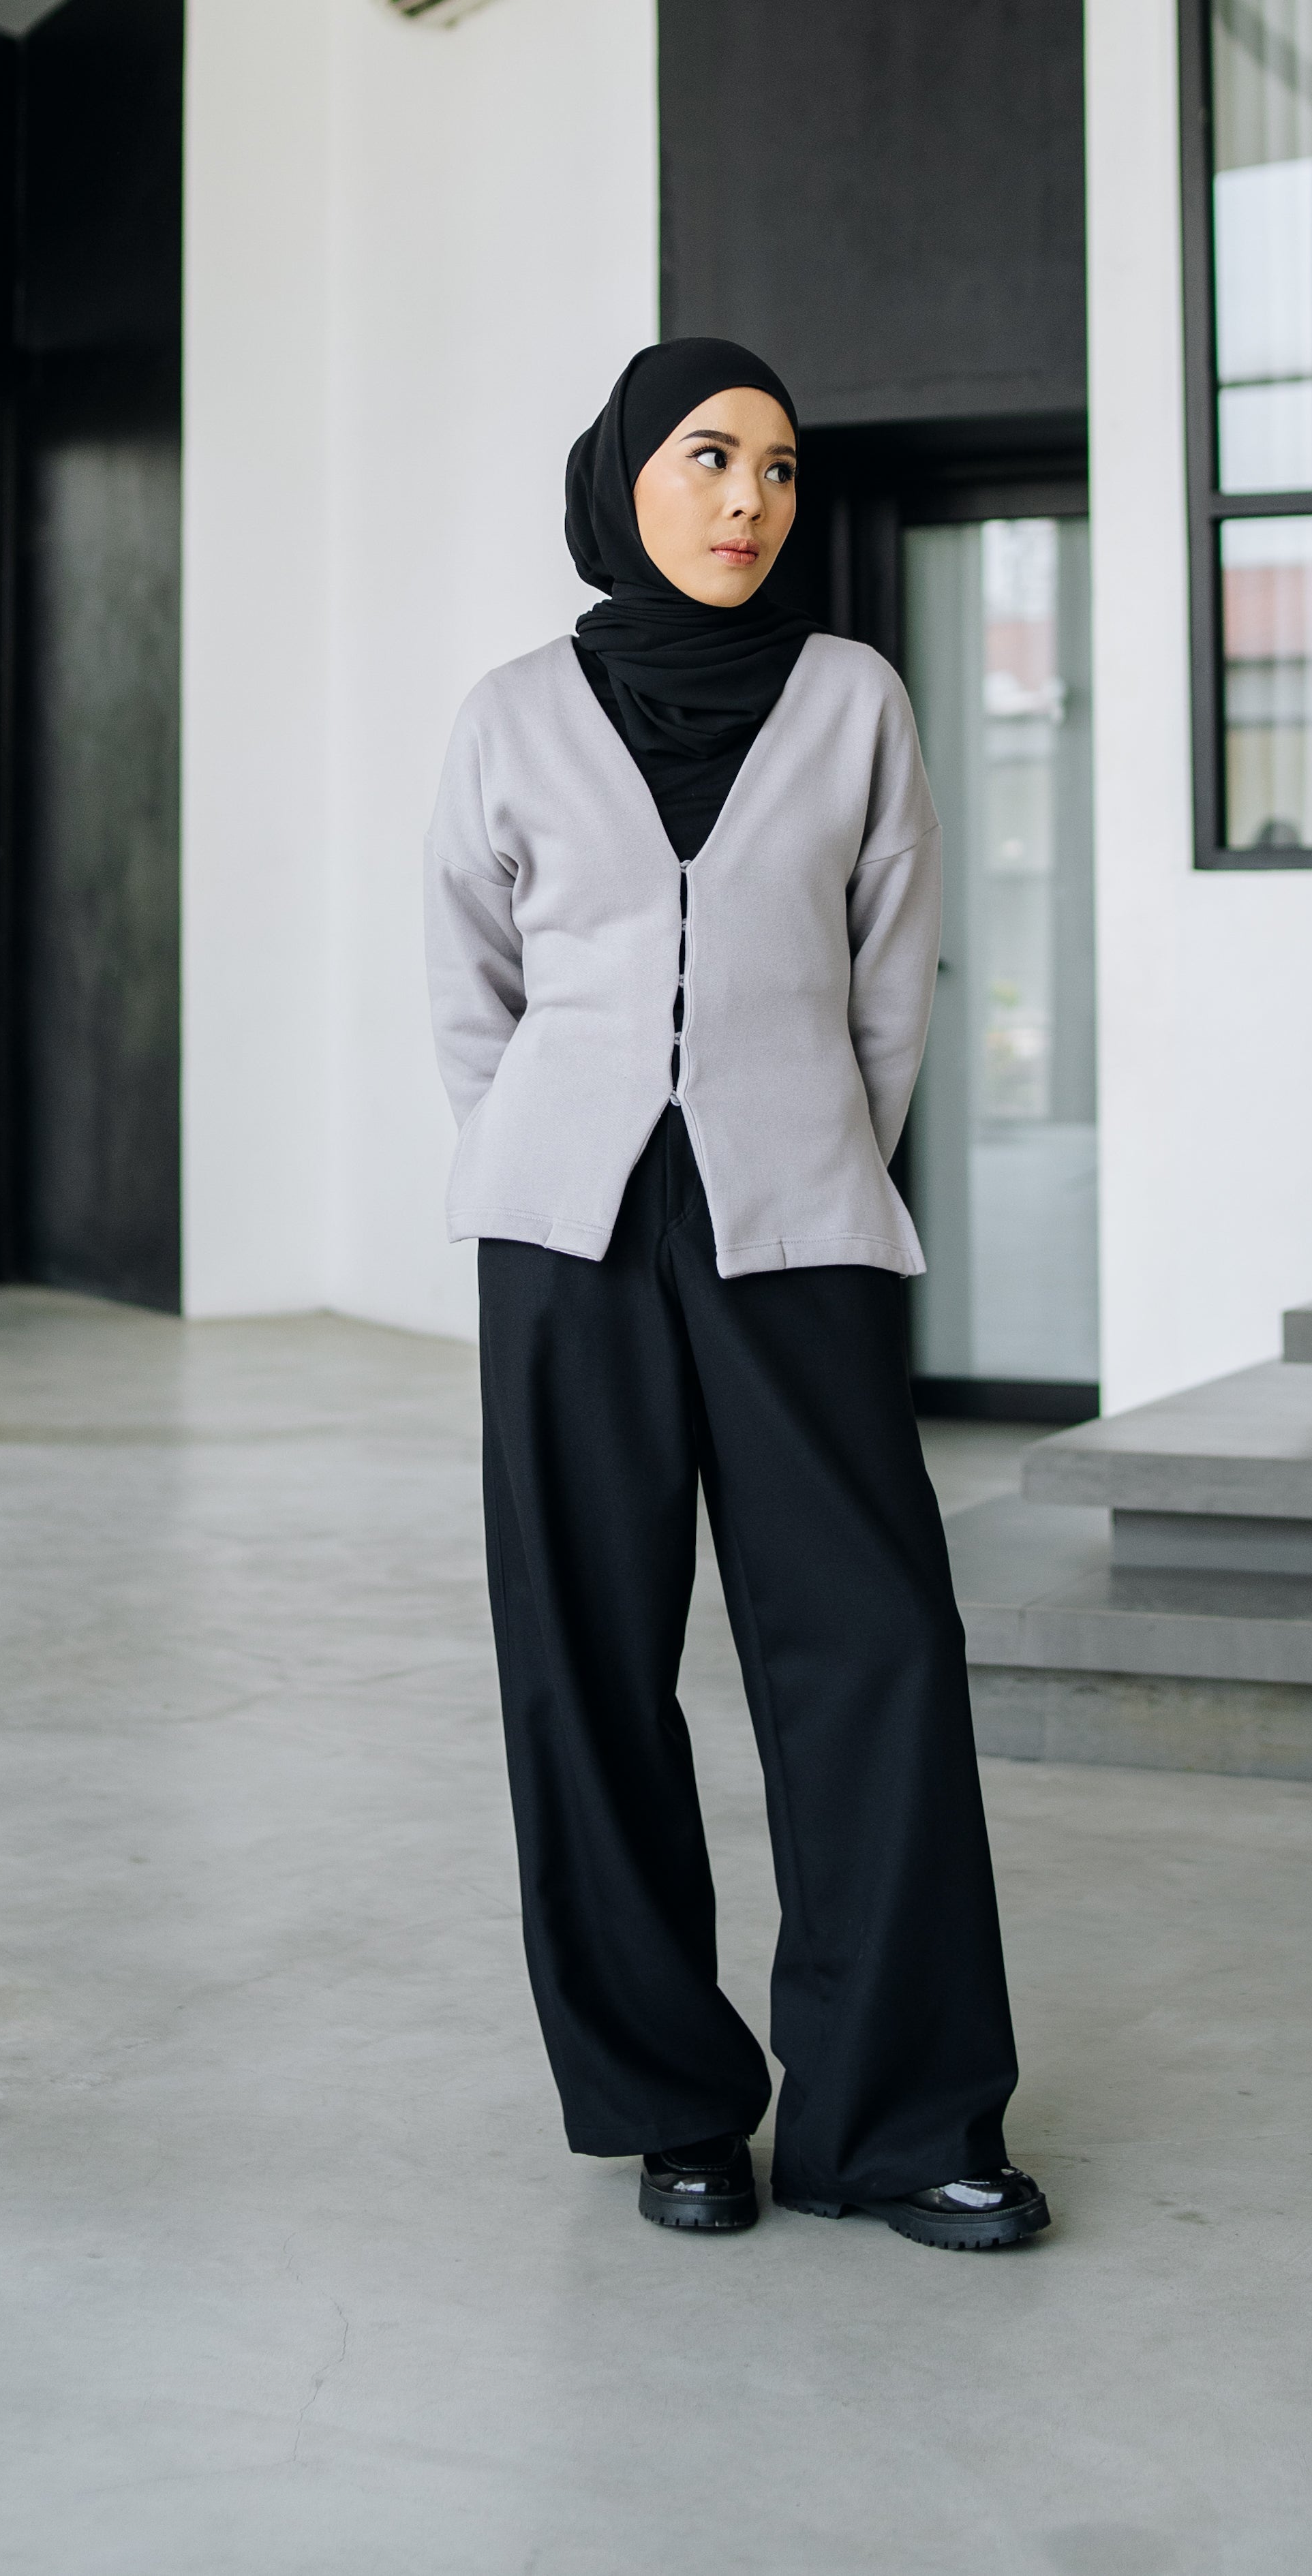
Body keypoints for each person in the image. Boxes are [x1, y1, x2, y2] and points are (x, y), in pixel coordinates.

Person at [423, 335, 1048, 2252]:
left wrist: (797, 1146)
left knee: (874, 1650)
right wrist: (550, 1151)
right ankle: (668, 2102)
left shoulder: (853, 698)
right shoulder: (513, 711)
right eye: (708, 457)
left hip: (799, 1226)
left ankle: (901, 2115)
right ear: (625, 475)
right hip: (565, 1240)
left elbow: (893, 976)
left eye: (776, 467)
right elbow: (470, 986)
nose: (746, 499)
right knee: (586, 1663)